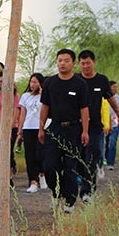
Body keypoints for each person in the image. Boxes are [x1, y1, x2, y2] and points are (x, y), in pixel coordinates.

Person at [39, 49, 89, 212]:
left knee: (70, 167)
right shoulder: (50, 83)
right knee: (49, 165)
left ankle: (70, 201)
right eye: (60, 60)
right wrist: (41, 128)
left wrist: (85, 131)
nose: (62, 63)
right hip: (54, 128)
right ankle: (56, 192)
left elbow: (84, 109)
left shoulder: (80, 83)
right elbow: (45, 107)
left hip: (74, 129)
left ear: (73, 63)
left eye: (66, 60)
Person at [77, 50, 119, 201]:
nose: (85, 66)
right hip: (77, 124)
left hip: (95, 125)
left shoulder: (101, 80)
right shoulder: (75, 79)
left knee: (92, 156)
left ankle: (88, 191)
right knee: (79, 157)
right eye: (82, 63)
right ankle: (80, 182)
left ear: (94, 62)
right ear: (78, 64)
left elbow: (110, 99)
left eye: (88, 63)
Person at [0, 71, 20, 187]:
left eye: (4, 81)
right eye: (0, 81)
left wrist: (10, 127)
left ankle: (9, 176)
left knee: (8, 150)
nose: (2, 83)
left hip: (10, 125)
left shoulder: (14, 94)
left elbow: (16, 110)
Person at [17, 73, 46, 193]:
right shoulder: (25, 96)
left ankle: (42, 175)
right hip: (28, 127)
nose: (32, 84)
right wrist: (20, 131)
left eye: (35, 82)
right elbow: (23, 114)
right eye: (31, 82)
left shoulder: (44, 96)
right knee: (30, 155)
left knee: (40, 154)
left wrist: (42, 93)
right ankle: (32, 181)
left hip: (41, 127)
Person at [105, 80, 119, 169]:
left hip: (115, 124)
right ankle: (104, 159)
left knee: (112, 143)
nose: (115, 88)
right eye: (114, 87)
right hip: (105, 124)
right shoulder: (103, 97)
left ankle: (111, 162)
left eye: (116, 87)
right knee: (105, 143)